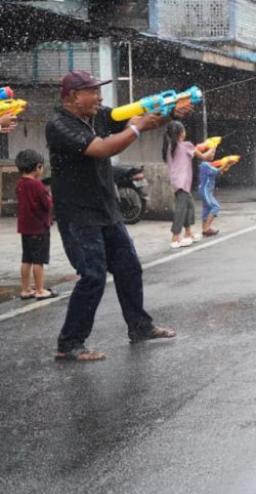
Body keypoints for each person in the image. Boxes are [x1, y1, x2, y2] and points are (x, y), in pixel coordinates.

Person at [47, 70, 187, 362]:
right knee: (93, 276)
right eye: (93, 92)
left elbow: (142, 122)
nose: (100, 97)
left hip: (106, 209)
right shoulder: (59, 125)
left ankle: (140, 326)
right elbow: (101, 148)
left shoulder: (98, 115)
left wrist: (170, 111)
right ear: (73, 96)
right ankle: (70, 342)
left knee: (129, 268)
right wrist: (135, 129)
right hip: (78, 214)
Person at [162, 121, 213, 249]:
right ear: (180, 134)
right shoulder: (186, 146)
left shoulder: (170, 147)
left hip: (176, 182)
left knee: (189, 206)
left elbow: (193, 150)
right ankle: (175, 237)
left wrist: (201, 146)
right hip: (183, 183)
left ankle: (188, 233)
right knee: (181, 209)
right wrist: (212, 147)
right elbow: (205, 157)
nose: (185, 132)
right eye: (183, 130)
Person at [15, 149, 58, 300]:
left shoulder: (20, 184)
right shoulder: (38, 186)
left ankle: (26, 289)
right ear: (38, 167)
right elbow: (47, 204)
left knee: (26, 259)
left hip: (25, 228)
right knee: (39, 260)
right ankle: (40, 289)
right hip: (39, 228)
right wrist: (50, 196)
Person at [198, 153, 236, 237]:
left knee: (206, 208)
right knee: (215, 207)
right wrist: (226, 163)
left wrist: (227, 164)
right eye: (210, 153)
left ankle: (204, 228)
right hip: (206, 190)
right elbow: (218, 171)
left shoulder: (206, 165)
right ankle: (207, 228)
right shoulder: (205, 165)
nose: (213, 155)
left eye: (213, 153)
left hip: (206, 190)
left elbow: (219, 172)